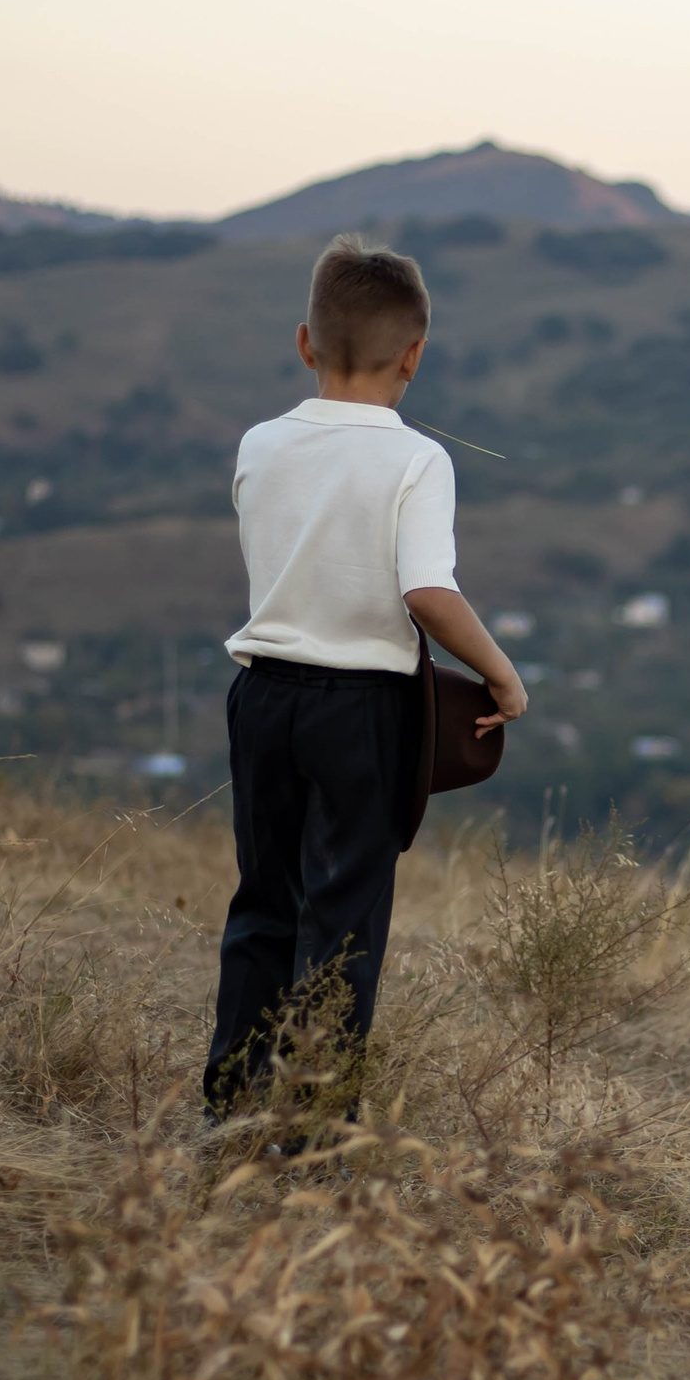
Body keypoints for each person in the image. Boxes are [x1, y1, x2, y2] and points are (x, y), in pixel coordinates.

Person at [204, 233, 526, 1116]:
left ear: (305, 342)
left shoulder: (259, 444)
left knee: (263, 902)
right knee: (341, 924)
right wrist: (502, 676)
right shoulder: (419, 461)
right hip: (362, 712)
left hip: (262, 695)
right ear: (415, 355)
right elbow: (427, 592)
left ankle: (227, 1107)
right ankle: (311, 1136)